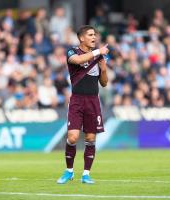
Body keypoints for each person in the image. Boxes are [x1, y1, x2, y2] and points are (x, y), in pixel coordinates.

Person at [57, 25, 109, 184]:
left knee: (90, 138)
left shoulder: (98, 57)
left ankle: (86, 174)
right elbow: (78, 61)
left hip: (93, 100)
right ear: (81, 38)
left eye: (95, 35)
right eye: (90, 35)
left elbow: (104, 83)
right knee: (72, 137)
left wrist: (104, 68)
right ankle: (69, 171)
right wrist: (98, 52)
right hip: (77, 100)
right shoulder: (72, 52)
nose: (94, 37)